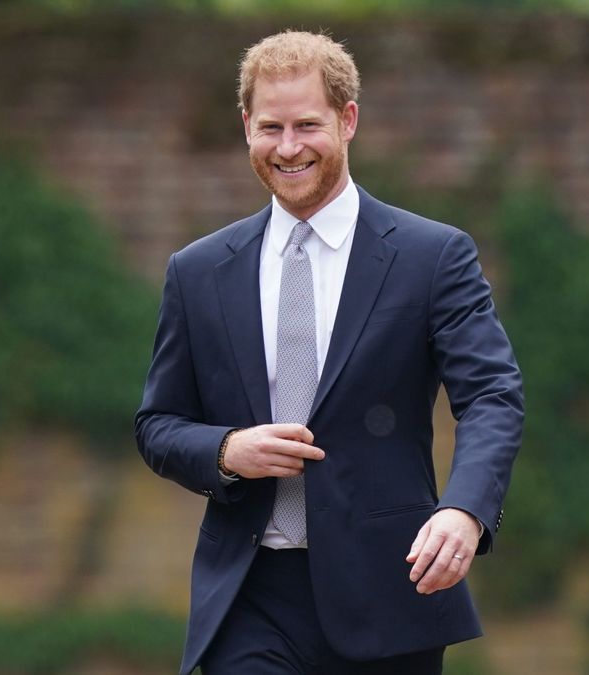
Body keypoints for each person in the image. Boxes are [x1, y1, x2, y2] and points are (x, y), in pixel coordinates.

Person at [135, 30, 522, 674]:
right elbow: (158, 424)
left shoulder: (432, 257)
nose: (287, 148)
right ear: (246, 127)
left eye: (307, 125)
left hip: (391, 588)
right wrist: (227, 450)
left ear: (348, 120)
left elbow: (491, 396)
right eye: (270, 128)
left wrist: (465, 510)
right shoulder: (197, 271)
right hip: (248, 595)